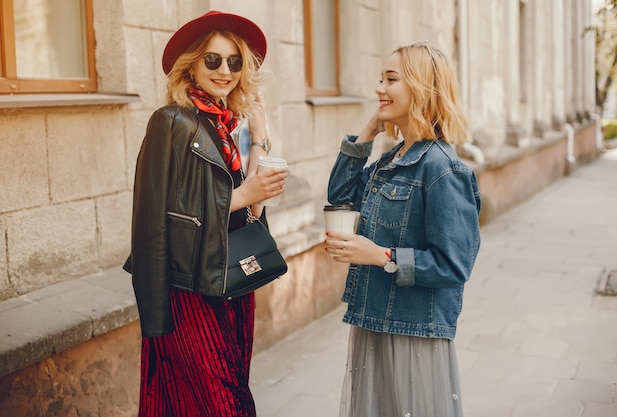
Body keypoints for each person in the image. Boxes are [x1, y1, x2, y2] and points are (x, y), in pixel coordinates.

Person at [124, 10, 287, 416]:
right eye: (212, 60)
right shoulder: (170, 122)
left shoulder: (226, 126)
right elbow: (153, 216)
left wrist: (261, 135)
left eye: (234, 61)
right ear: (191, 64)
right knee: (226, 402)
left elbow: (252, 207)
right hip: (190, 288)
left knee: (197, 398)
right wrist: (155, 314)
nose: (225, 70)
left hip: (231, 281)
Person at [325, 42, 481, 417]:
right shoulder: (390, 160)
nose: (379, 87)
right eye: (381, 79)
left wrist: (378, 256)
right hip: (373, 321)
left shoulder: (443, 169)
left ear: (422, 88)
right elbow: (340, 196)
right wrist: (368, 131)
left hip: (414, 332)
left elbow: (453, 265)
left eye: (391, 79)